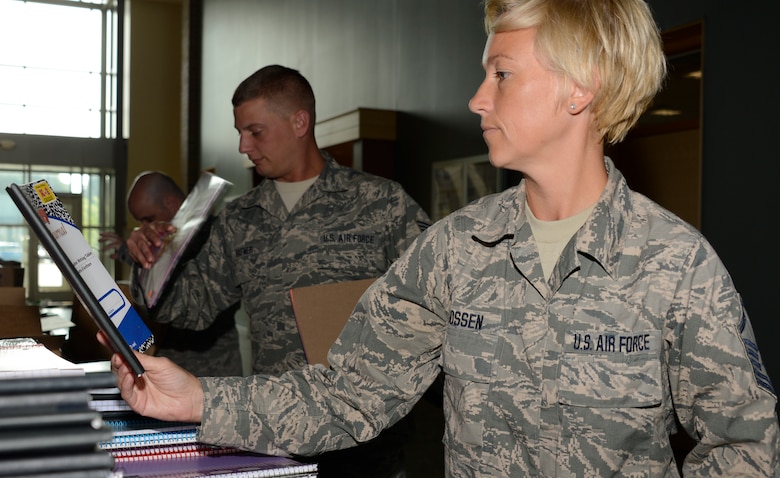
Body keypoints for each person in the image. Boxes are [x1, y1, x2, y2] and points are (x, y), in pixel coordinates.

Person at [104, 0, 780, 476]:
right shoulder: (453, 250)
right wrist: (199, 398)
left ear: (581, 88)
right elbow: (353, 392)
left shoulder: (677, 263)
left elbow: (746, 445)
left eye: (502, 74)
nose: (476, 99)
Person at [124, 65, 431, 477]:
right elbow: (190, 309)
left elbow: (433, 302)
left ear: (299, 121)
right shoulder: (239, 219)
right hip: (275, 428)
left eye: (255, 131)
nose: (242, 146)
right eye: (240, 132)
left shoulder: (381, 203)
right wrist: (152, 262)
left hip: (369, 435)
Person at [102, 170, 243, 377]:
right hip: (168, 359)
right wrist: (128, 249)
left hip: (213, 369)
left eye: (148, 219)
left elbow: (190, 289)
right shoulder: (168, 239)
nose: (145, 227)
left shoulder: (216, 236)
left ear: (170, 202)